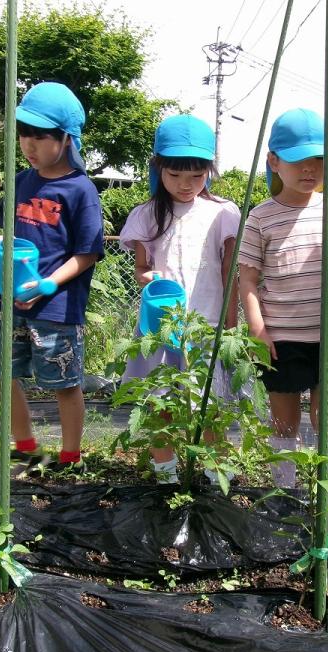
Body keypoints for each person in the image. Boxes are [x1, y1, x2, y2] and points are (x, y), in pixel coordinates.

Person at [239, 108, 328, 488]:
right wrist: (258, 329)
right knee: (283, 416)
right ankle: (283, 488)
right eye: (298, 160)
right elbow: (248, 280)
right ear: (274, 161)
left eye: (320, 160)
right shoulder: (260, 217)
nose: (310, 169)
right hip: (281, 338)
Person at [0, 81, 105, 474]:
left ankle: (70, 455)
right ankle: (25, 447)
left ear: (67, 139)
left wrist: (49, 284)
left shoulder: (80, 190)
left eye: (40, 136)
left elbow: (88, 251)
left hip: (56, 305)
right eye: (24, 134)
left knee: (64, 381)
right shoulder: (21, 182)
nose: (29, 144)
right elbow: (11, 233)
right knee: (4, 374)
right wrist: (0, 244)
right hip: (12, 298)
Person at [119, 114, 241, 484]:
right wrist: (149, 277)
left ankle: (214, 472)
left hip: (207, 324)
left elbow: (229, 270)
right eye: (175, 176)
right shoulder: (146, 214)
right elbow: (142, 269)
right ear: (158, 169)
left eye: (196, 175)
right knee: (161, 403)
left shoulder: (223, 212)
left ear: (209, 171)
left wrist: (230, 323)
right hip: (161, 328)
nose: (186, 185)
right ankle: (165, 475)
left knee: (211, 404)